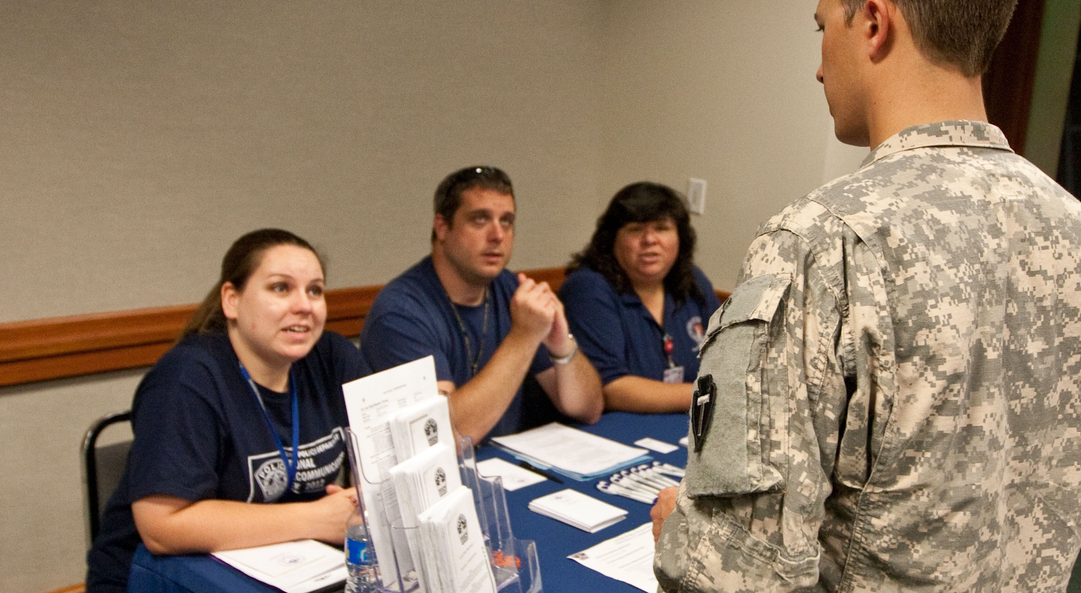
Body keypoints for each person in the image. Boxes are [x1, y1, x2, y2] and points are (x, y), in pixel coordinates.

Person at [652, 0, 1081, 593]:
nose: (820, 62)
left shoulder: (824, 240)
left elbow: (737, 574)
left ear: (873, 22)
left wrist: (683, 541)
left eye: (824, 28)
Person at [86, 229, 371, 593]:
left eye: (314, 290)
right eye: (281, 288)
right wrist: (317, 519)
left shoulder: (332, 357)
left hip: (292, 568)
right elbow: (162, 527)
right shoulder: (186, 379)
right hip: (166, 578)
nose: (305, 305)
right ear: (231, 301)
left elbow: (389, 453)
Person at [361, 166, 603, 442]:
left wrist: (562, 345)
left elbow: (588, 409)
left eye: (507, 221)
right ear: (442, 227)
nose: (498, 235)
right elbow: (442, 435)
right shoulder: (400, 313)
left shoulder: (512, 289)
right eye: (480, 220)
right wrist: (524, 336)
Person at [560, 182, 720, 413]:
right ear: (612, 240)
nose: (649, 240)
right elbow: (611, 389)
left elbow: (727, 353)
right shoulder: (588, 288)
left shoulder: (692, 280)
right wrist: (710, 394)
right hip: (616, 429)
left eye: (662, 228)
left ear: (680, 238)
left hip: (688, 422)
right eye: (635, 229)